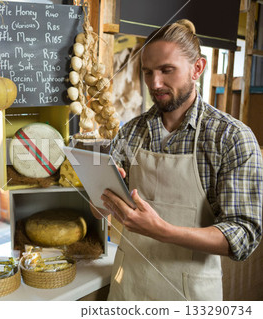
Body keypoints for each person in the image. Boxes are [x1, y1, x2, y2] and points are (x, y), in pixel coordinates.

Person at [91, 19, 263, 301]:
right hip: (127, 290)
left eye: (166, 70)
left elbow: (243, 236)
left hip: (189, 294)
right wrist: (103, 195)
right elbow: (99, 211)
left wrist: (163, 231)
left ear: (198, 68)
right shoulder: (131, 131)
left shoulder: (231, 138)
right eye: (147, 72)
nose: (155, 83)